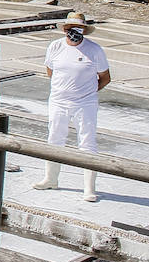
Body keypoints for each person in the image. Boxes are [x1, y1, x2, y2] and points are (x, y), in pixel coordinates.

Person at [33, 12, 111, 202]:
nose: (73, 33)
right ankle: (51, 179)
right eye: (70, 29)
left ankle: (89, 188)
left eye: (78, 29)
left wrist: (87, 92)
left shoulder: (95, 50)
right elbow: (51, 70)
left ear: (84, 30)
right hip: (59, 101)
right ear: (65, 30)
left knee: (87, 142)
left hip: (85, 103)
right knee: (55, 138)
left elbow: (105, 78)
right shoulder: (55, 46)